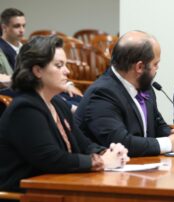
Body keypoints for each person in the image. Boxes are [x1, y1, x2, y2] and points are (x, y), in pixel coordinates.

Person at [0, 35, 129, 193]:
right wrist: (101, 161)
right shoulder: (24, 108)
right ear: (37, 70)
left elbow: (84, 144)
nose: (67, 71)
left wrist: (109, 153)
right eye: (59, 65)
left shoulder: (58, 103)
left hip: (57, 186)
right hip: (25, 194)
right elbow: (52, 159)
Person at [75, 30, 174, 157]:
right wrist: (169, 143)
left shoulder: (145, 86)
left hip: (143, 166)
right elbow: (121, 143)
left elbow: (157, 125)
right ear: (139, 67)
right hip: (104, 172)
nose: (157, 68)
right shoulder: (101, 94)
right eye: (155, 64)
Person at [0, 8, 82, 110]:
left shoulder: (24, 46)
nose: (22, 30)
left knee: (79, 100)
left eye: (24, 26)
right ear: (4, 27)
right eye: (17, 26)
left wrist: (68, 84)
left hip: (42, 86)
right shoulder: (2, 49)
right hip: (27, 90)